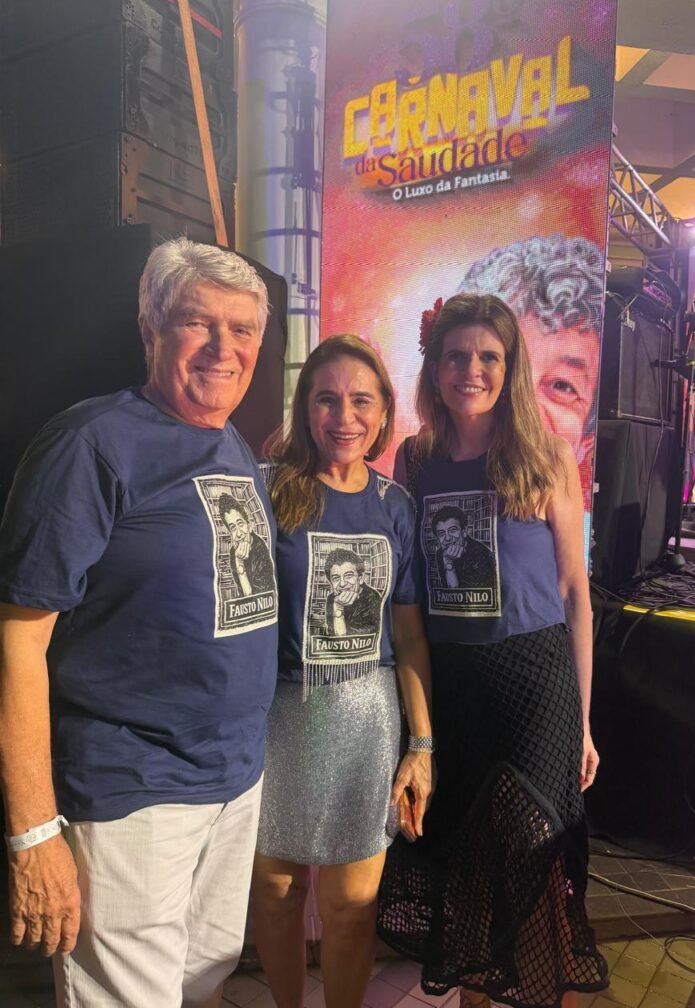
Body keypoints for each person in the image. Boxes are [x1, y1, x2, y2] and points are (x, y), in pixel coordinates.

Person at [0, 238, 278, 1007]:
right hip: (132, 792)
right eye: (197, 322)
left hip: (232, 782)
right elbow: (17, 643)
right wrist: (33, 833)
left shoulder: (232, 443)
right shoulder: (89, 446)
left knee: (202, 981)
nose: (223, 347)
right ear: (150, 327)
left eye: (242, 329)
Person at [377, 293, 606, 1008]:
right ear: (434, 367)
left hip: (537, 684)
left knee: (536, 863)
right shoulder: (415, 460)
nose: (470, 370)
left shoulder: (546, 456)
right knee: (466, 868)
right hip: (455, 686)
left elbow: (574, 594)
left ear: (510, 367)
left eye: (488, 356)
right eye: (456, 356)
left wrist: (583, 721)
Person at [251, 335, 434, 1008]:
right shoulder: (269, 489)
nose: (344, 416)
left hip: (366, 724)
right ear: (306, 408)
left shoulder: (396, 505)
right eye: (326, 399)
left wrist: (422, 745)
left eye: (361, 400)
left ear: (383, 411)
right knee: (277, 894)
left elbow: (409, 638)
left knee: (352, 908)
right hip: (278, 719)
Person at [459, 234, 605, 498]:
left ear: (586, 444)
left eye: (562, 386)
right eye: (506, 368)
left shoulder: (566, 517)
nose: (523, 407)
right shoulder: (421, 474)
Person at [219, 492, 274, 597]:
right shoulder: (233, 551)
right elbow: (242, 592)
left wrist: (239, 562)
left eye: (240, 524)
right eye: (233, 528)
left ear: (249, 525)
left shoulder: (260, 549)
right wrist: (237, 560)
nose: (239, 533)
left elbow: (252, 598)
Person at [430, 504, 496, 590]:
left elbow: (462, 593)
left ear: (464, 532)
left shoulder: (481, 554)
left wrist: (448, 562)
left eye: (452, 530)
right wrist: (447, 561)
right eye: (441, 533)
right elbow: (447, 590)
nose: (447, 538)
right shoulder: (441, 553)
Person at [323, 547, 383, 636]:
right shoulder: (332, 598)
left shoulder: (373, 598)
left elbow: (349, 639)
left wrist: (339, 608)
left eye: (348, 576)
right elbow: (332, 634)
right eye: (336, 578)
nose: (342, 584)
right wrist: (338, 607)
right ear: (331, 583)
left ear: (360, 578)